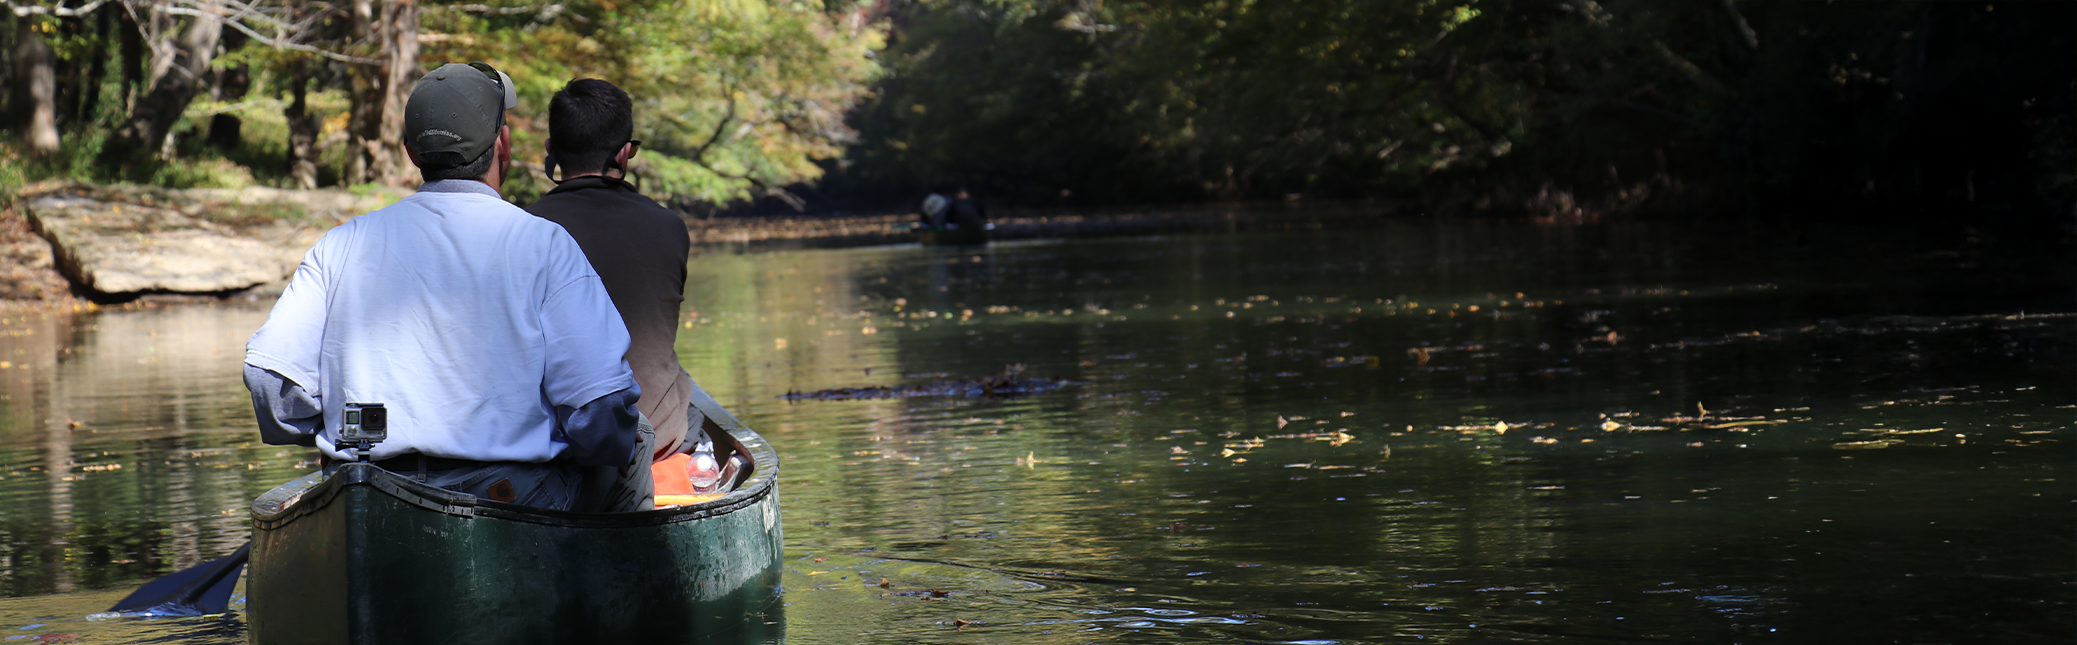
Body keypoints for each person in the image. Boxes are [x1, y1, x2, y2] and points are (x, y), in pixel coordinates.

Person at [242, 62, 654, 512]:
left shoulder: (342, 242)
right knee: (634, 435)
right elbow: (601, 403)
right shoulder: (543, 243)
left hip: (364, 492)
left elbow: (271, 380)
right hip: (508, 498)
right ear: (504, 145)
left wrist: (342, 427)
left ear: (412, 154)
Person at [524, 78, 715, 493]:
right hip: (659, 434)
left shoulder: (522, 231)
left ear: (551, 151)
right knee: (687, 398)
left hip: (561, 442)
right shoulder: (669, 227)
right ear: (625, 153)